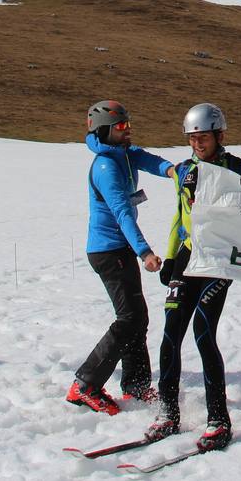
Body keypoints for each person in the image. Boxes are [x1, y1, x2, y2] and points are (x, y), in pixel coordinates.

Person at [146, 103, 241, 452]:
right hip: (189, 256)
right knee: (170, 332)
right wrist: (170, 256)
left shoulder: (239, 169)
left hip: (220, 259)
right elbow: (179, 217)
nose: (197, 144)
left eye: (203, 138)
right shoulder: (183, 171)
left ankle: (218, 420)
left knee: (203, 333)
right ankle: (167, 412)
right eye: (192, 139)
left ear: (219, 136)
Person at [68, 100, 173, 415]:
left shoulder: (124, 153)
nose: (127, 131)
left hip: (119, 249)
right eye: (121, 127)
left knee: (137, 318)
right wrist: (145, 252)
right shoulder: (106, 167)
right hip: (108, 251)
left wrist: (176, 171)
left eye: (128, 125)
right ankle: (84, 385)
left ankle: (137, 388)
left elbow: (148, 159)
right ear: (104, 131)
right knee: (128, 319)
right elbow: (123, 213)